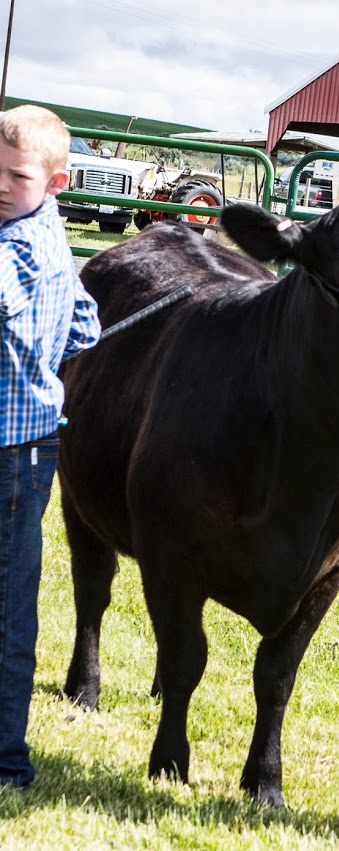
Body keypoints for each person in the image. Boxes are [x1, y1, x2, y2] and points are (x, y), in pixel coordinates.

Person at [0, 105, 100, 788]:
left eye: (18, 176)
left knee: (8, 609)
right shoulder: (50, 231)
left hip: (13, 458)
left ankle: (6, 759)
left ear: (57, 181)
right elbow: (86, 327)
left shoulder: (23, 246)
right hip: (28, 448)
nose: (3, 186)